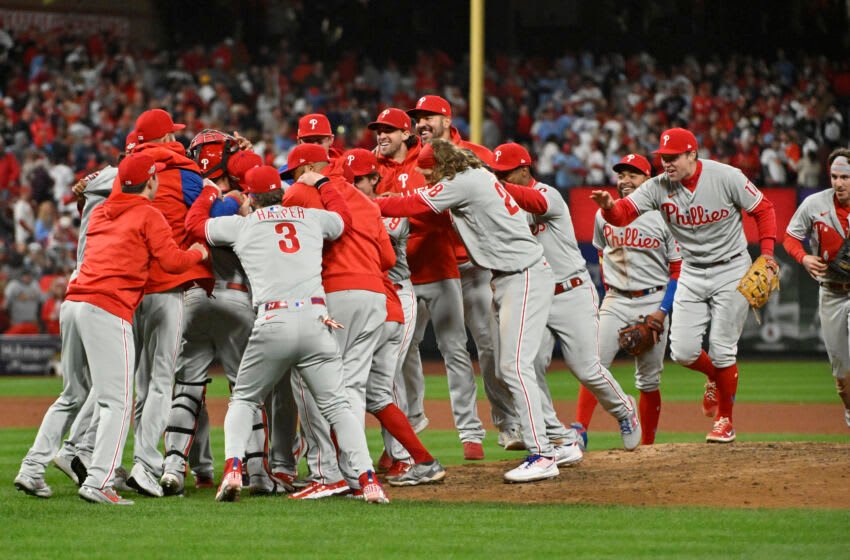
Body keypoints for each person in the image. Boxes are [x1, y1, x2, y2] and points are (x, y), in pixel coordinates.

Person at [184, 165, 389, 504]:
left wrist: (209, 192)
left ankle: (234, 468)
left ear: (250, 197)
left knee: (245, 400)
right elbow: (343, 220)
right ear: (280, 193)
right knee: (338, 406)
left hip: (273, 320)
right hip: (315, 319)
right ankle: (368, 480)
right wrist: (323, 182)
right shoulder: (310, 217)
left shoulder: (243, 225)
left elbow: (193, 225)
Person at [15, 152, 207, 505]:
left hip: (73, 303)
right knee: (116, 402)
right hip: (107, 306)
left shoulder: (102, 210)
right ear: (150, 181)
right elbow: (171, 261)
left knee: (72, 394)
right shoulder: (149, 213)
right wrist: (197, 253)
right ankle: (99, 481)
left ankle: (31, 467)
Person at [376, 139, 570, 483]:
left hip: (523, 275)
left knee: (513, 366)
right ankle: (561, 441)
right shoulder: (475, 177)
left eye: (429, 171)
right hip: (514, 277)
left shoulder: (464, 182)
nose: (427, 178)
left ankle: (543, 453)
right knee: (512, 365)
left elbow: (413, 204)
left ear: (441, 165)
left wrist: (368, 204)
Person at [590, 128, 778, 442]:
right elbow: (623, 215)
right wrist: (609, 207)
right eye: (663, 158)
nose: (667, 163)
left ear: (693, 154)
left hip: (731, 267)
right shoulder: (657, 186)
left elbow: (764, 209)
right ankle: (715, 380)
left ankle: (725, 420)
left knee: (721, 349)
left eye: (674, 157)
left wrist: (769, 254)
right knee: (683, 351)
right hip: (692, 269)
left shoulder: (725, 176)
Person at [491, 143, 641, 452]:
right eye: (497, 175)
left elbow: (530, 199)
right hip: (534, 295)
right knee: (525, 364)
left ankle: (624, 409)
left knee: (586, 367)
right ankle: (554, 432)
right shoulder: (505, 208)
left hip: (570, 291)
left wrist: (492, 184)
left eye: (506, 175)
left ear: (524, 170)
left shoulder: (548, 194)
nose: (501, 180)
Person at [160, 130, 280, 496]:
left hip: (195, 295)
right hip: (237, 298)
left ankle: (172, 468)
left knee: (187, 389)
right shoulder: (242, 200)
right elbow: (265, 185)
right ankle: (258, 474)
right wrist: (249, 159)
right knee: (246, 392)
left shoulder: (190, 195)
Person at [280, 143, 394, 499]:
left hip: (335, 293)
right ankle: (357, 474)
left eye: (296, 171)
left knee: (309, 376)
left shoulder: (301, 191)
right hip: (375, 295)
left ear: (310, 168)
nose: (294, 179)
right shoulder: (366, 200)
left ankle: (325, 472)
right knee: (352, 389)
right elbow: (388, 257)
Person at [408, 96, 519, 454]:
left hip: (473, 268)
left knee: (489, 346)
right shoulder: (412, 160)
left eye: (428, 118)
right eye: (417, 119)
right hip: (427, 266)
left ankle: (507, 423)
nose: (421, 124)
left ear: (446, 118)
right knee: (417, 347)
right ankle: (420, 430)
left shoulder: (477, 155)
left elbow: (508, 199)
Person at [125, 109, 215, 498]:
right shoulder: (186, 174)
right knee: (165, 381)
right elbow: (206, 217)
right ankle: (148, 464)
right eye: (171, 135)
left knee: (138, 385)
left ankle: (121, 463)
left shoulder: (122, 174)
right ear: (163, 140)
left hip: (129, 290)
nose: (175, 141)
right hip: (172, 284)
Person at [345, 148, 446, 486]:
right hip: (372, 298)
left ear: (374, 178)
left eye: (357, 180)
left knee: (385, 382)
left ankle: (401, 460)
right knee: (376, 389)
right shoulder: (352, 207)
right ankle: (413, 459)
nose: (352, 186)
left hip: (398, 296)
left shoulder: (387, 210)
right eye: (348, 180)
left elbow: (384, 250)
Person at [576, 153, 681, 445]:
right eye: (621, 175)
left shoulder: (664, 216)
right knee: (592, 364)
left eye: (633, 175)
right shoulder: (603, 214)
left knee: (649, 380)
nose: (625, 181)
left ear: (648, 180)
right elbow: (600, 252)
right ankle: (580, 431)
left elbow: (678, 270)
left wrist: (662, 311)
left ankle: (647, 445)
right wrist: (611, 293)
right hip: (616, 299)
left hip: (654, 300)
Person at [783, 147, 850, 429]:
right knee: (840, 368)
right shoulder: (814, 204)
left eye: (845, 177)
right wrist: (804, 257)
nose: (839, 182)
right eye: (834, 176)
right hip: (831, 291)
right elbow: (789, 237)